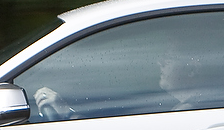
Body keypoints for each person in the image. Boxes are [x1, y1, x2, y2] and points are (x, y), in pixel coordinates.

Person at [30, 51, 211, 122]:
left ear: (192, 69)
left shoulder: (189, 113)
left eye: (169, 58)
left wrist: (66, 113)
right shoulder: (191, 107)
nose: (159, 62)